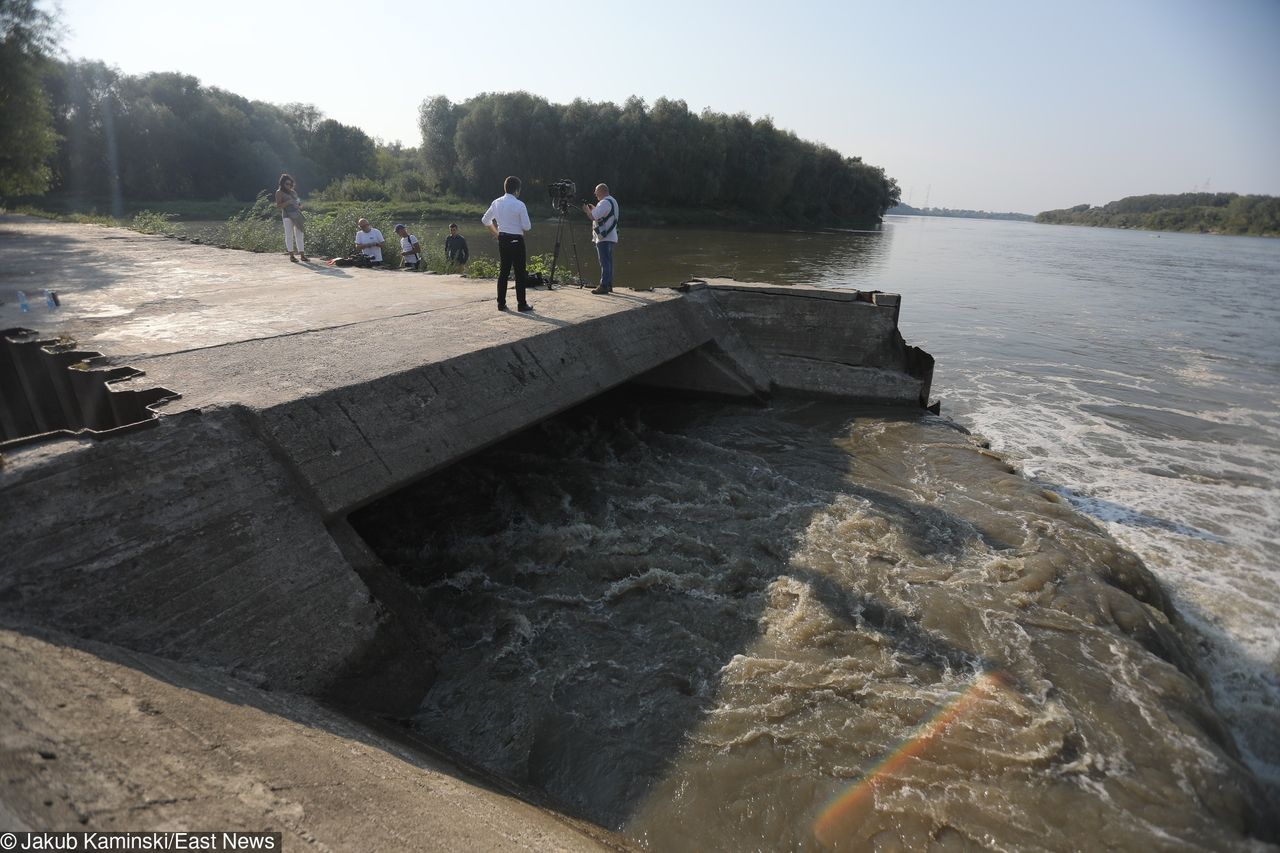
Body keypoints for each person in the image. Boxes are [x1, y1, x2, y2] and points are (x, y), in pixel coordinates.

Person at [480, 176, 533, 312]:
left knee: (504, 271)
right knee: (519, 273)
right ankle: (521, 304)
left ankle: (501, 303)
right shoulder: (519, 205)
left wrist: (497, 233)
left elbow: (485, 220)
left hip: (503, 239)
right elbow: (527, 227)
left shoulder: (496, 202)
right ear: (516, 190)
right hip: (516, 240)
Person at [582, 183, 619, 294]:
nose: (595, 194)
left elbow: (593, 217)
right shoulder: (613, 201)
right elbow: (603, 215)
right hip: (611, 237)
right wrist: (594, 208)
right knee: (609, 262)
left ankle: (603, 286)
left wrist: (587, 210)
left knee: (604, 262)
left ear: (602, 191)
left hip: (604, 238)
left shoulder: (604, 202)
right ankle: (608, 285)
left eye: (596, 191)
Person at [275, 173, 308, 262]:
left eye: (290, 184)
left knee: (300, 234)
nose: (289, 185)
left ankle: (302, 255)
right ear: (282, 184)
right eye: (287, 184)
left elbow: (298, 202)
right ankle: (291, 256)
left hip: (297, 215)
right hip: (287, 216)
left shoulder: (293, 192)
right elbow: (278, 206)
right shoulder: (279, 192)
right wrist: (288, 202)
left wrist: (299, 205)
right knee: (289, 235)